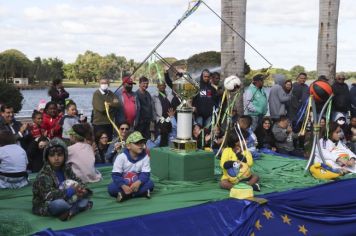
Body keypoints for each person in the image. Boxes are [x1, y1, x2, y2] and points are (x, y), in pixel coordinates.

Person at [32, 138, 93, 221]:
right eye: (52, 155)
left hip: (69, 199)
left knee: (85, 197)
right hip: (47, 204)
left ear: (65, 155)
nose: (56, 158)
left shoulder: (66, 168)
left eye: (60, 155)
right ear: (47, 157)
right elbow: (48, 196)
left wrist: (82, 189)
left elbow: (77, 180)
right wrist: (69, 191)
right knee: (59, 204)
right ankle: (74, 209)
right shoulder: (43, 175)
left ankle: (71, 211)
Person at [107, 131, 154, 202]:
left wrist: (139, 182)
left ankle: (125, 195)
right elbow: (116, 175)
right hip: (124, 182)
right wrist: (123, 186)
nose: (141, 145)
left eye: (142, 142)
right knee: (111, 188)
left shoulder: (145, 157)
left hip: (138, 182)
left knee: (150, 184)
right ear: (128, 146)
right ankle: (141, 193)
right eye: (137, 143)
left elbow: (146, 174)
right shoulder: (121, 157)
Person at [92, 78, 120, 142]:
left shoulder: (111, 93)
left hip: (109, 123)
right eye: (102, 83)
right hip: (99, 123)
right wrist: (112, 106)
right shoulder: (96, 94)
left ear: (108, 84)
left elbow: (117, 103)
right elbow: (101, 109)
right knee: (100, 141)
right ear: (99, 84)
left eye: (106, 83)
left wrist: (108, 104)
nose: (104, 84)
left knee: (109, 141)